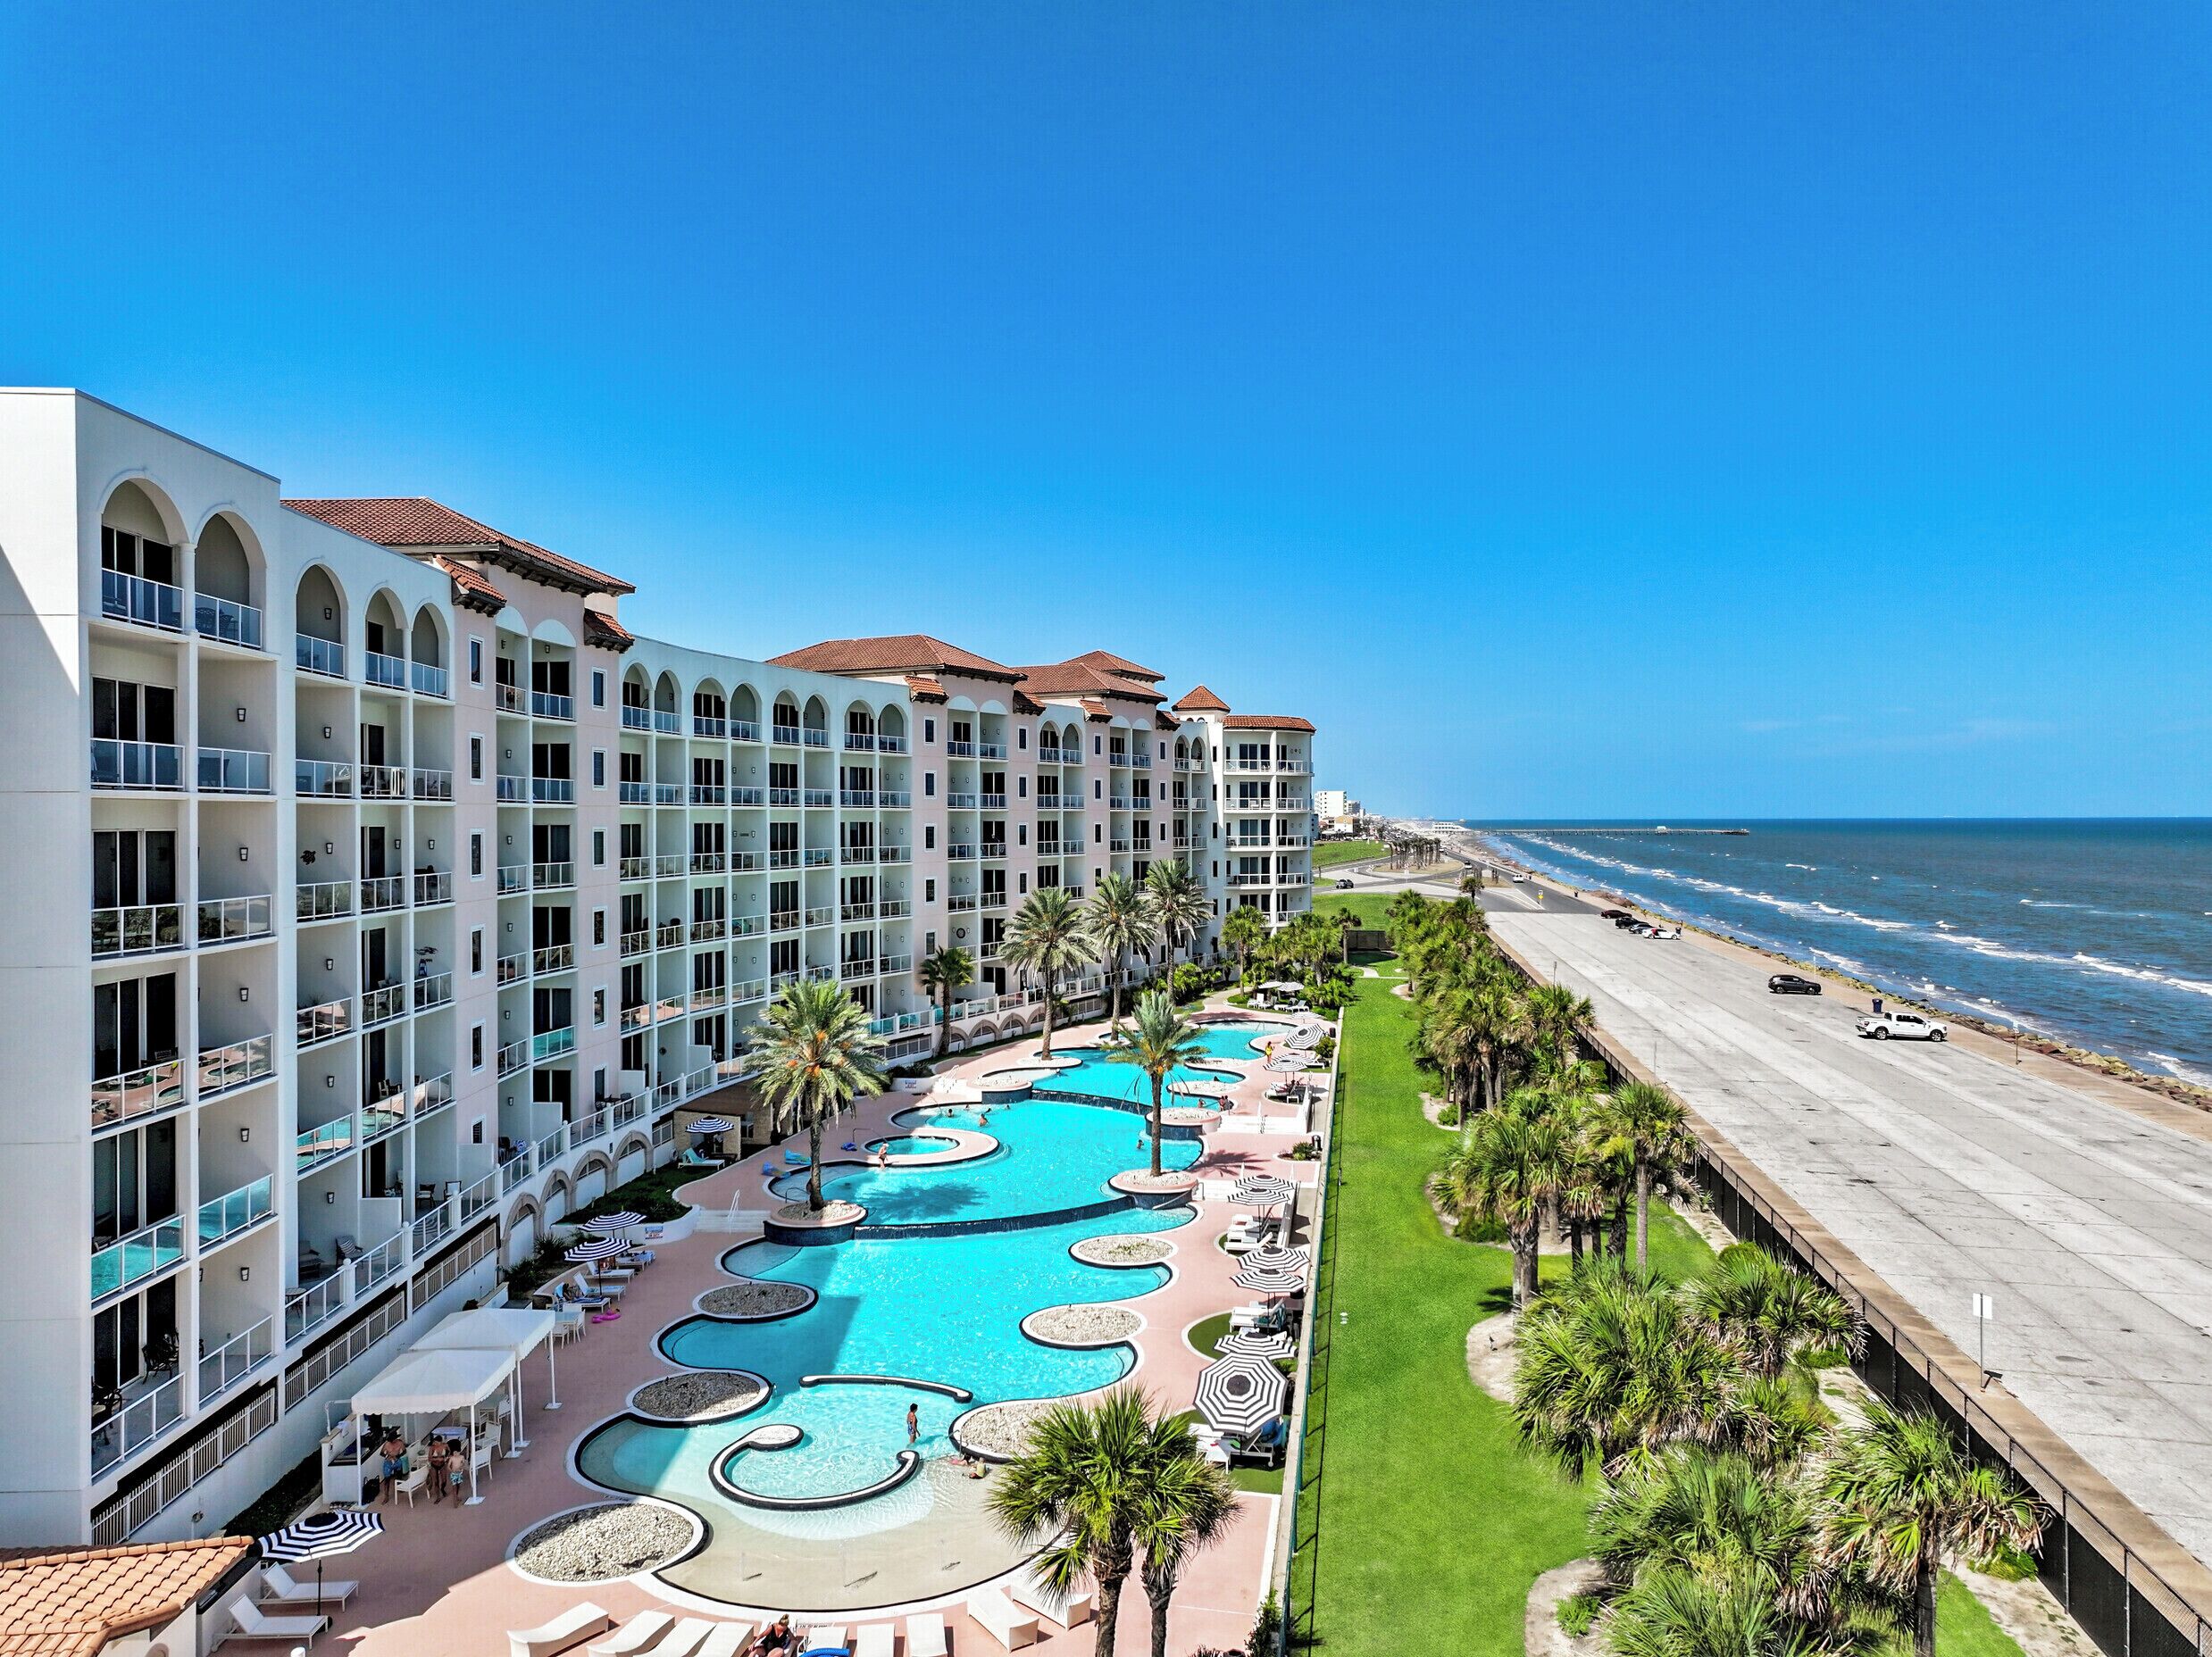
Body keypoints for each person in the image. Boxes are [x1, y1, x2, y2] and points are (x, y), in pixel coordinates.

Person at [379, 1428, 409, 1501]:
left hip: (397, 1460)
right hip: (388, 1462)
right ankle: (386, 1496)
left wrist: (397, 1456)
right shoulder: (387, 1444)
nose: (393, 1441)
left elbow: (404, 1451)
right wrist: (388, 1456)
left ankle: (400, 1487)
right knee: (387, 1479)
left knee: (399, 1475)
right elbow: (381, 1453)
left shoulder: (400, 1443)